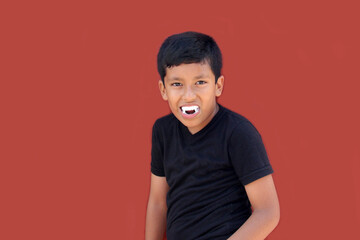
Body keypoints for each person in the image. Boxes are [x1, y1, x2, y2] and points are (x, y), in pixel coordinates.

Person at [145, 31, 280, 240]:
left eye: (200, 82)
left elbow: (268, 212)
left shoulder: (238, 133)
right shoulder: (163, 131)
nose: (189, 95)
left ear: (218, 86)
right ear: (163, 90)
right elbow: (157, 202)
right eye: (177, 84)